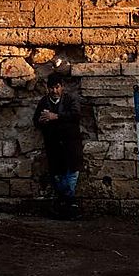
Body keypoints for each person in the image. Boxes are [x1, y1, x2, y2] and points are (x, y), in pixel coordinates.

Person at [33, 73, 83, 219]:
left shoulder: (70, 100)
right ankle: (68, 206)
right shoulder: (44, 102)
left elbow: (76, 116)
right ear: (47, 88)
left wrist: (56, 117)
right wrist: (42, 120)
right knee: (58, 177)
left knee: (71, 175)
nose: (54, 91)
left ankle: (67, 205)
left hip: (71, 145)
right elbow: (36, 121)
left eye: (57, 87)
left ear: (62, 87)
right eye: (51, 88)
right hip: (54, 146)